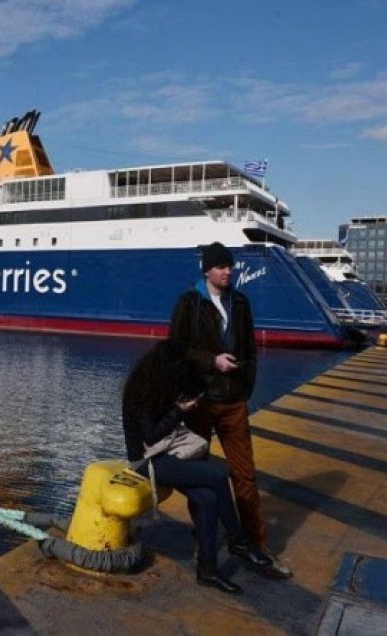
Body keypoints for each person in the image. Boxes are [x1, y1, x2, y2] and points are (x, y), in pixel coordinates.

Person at [168, 241, 292, 579]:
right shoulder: (189, 303)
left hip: (234, 403)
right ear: (206, 269)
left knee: (245, 475)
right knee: (199, 477)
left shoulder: (240, 301)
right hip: (200, 403)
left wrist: (244, 389)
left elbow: (250, 349)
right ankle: (202, 538)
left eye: (229, 266)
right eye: (221, 266)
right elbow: (176, 349)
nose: (228, 270)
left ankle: (256, 542)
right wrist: (212, 361)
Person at [122, 340, 252, 594]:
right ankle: (238, 540)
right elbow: (150, 436)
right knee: (217, 476)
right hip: (146, 461)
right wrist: (178, 411)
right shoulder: (140, 393)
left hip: (167, 455)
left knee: (207, 499)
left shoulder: (160, 385)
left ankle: (208, 571)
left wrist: (212, 371)